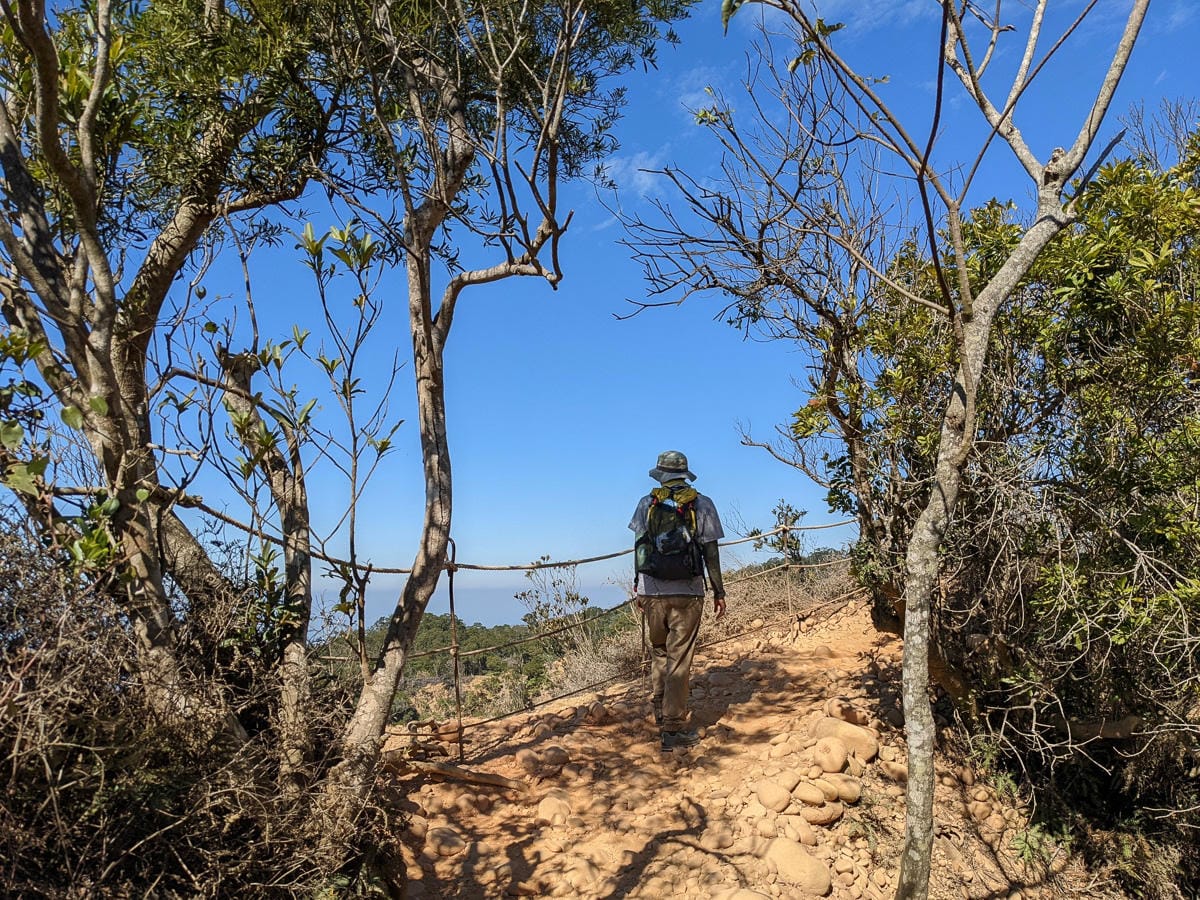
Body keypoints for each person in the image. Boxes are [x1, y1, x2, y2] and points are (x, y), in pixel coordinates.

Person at [629, 450, 727, 751]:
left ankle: (660, 710)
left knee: (659, 650)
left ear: (660, 474)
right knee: (679, 658)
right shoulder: (702, 503)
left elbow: (640, 547)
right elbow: (710, 551)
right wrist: (718, 590)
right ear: (685, 474)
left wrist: (638, 587)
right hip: (688, 591)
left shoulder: (647, 503)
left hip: (651, 589)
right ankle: (672, 730)